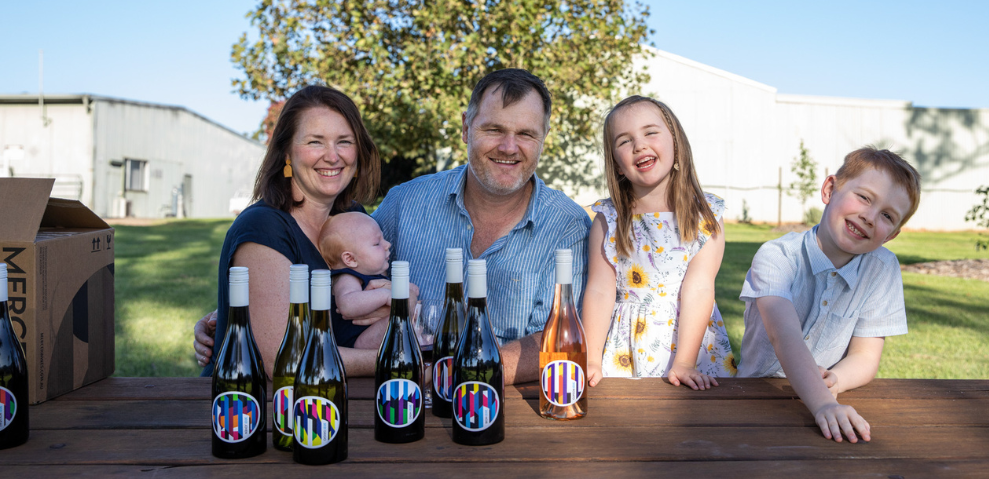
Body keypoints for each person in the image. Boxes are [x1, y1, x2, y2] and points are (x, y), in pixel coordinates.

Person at [371, 68, 591, 384]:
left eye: (526, 134)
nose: (509, 147)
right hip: (406, 402)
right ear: (466, 127)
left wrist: (459, 378)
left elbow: (558, 338)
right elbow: (353, 282)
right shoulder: (404, 204)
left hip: (510, 410)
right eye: (494, 129)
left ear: (543, 138)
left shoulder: (568, 227)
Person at [194, 85, 386, 377]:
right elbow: (285, 359)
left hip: (331, 404)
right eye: (315, 142)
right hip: (260, 410)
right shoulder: (263, 227)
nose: (333, 156)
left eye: (344, 142)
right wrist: (398, 360)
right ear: (286, 151)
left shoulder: (353, 218)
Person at [736, 146, 921, 444]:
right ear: (829, 189)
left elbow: (865, 355)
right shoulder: (778, 256)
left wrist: (837, 380)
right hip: (753, 399)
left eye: (887, 215)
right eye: (863, 197)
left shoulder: (882, 269)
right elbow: (784, 337)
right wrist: (823, 403)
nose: (870, 216)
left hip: (826, 407)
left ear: (891, 235)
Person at [582, 96, 737, 391]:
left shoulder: (705, 215)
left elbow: (700, 288)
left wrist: (685, 362)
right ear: (616, 164)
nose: (639, 145)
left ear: (676, 143)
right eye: (625, 141)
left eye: (650, 132)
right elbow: (600, 290)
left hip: (690, 344)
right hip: (626, 347)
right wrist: (590, 358)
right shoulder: (608, 219)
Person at [317, 211, 419, 349]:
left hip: (373, 337)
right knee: (400, 315)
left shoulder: (370, 273)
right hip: (358, 342)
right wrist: (386, 295)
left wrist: (408, 290)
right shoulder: (347, 277)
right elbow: (347, 305)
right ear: (350, 259)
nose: (387, 244)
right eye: (377, 243)